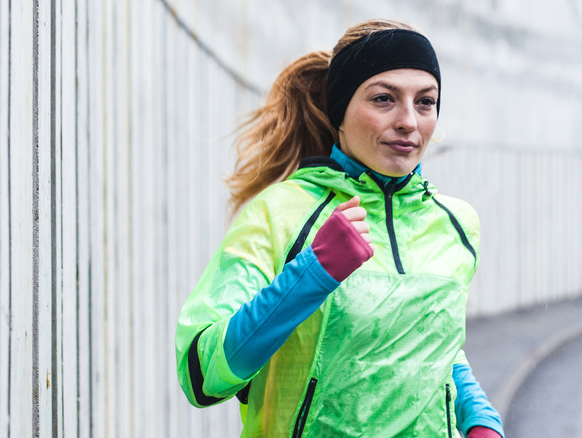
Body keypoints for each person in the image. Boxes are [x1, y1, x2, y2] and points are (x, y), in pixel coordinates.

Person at [175, 19, 505, 438]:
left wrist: (477, 414)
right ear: (340, 111)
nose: (408, 121)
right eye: (384, 99)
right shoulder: (279, 215)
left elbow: (433, 346)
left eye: (425, 102)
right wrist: (312, 273)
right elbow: (202, 375)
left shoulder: (457, 224)